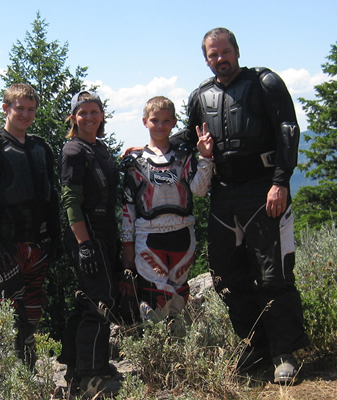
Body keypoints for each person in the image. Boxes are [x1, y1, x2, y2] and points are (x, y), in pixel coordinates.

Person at [171, 27, 310, 384]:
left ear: (236, 50)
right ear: (205, 59)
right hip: (223, 192)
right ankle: (256, 343)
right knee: (225, 276)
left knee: (273, 273)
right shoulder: (200, 96)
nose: (220, 59)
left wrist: (280, 181)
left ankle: (284, 352)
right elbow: (188, 136)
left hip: (264, 189)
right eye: (212, 54)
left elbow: (287, 131)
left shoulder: (265, 83)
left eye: (224, 51)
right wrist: (149, 147)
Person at [0, 83, 61, 370]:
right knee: (0, 312)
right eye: (19, 108)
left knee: (33, 311)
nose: (25, 114)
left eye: (31, 109)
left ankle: (26, 370)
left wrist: (56, 238)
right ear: (5, 108)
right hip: (5, 245)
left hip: (36, 243)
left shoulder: (41, 148)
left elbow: (51, 197)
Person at [121, 96, 213, 331]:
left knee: (179, 295)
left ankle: (180, 355)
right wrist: (127, 245)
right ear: (144, 122)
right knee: (155, 297)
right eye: (154, 120)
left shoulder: (185, 156)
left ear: (173, 122)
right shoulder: (134, 161)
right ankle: (156, 354)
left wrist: (205, 158)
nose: (160, 125)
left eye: (165, 121)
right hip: (148, 238)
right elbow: (128, 208)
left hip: (183, 233)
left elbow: (200, 192)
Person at [58, 90, 122, 398]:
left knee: (89, 298)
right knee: (101, 300)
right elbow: (71, 200)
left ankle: (75, 365)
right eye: (82, 113)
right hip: (87, 232)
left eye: (94, 111)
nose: (89, 117)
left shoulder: (101, 149)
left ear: (102, 115)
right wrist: (84, 244)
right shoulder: (73, 151)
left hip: (105, 231)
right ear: (74, 118)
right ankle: (92, 373)